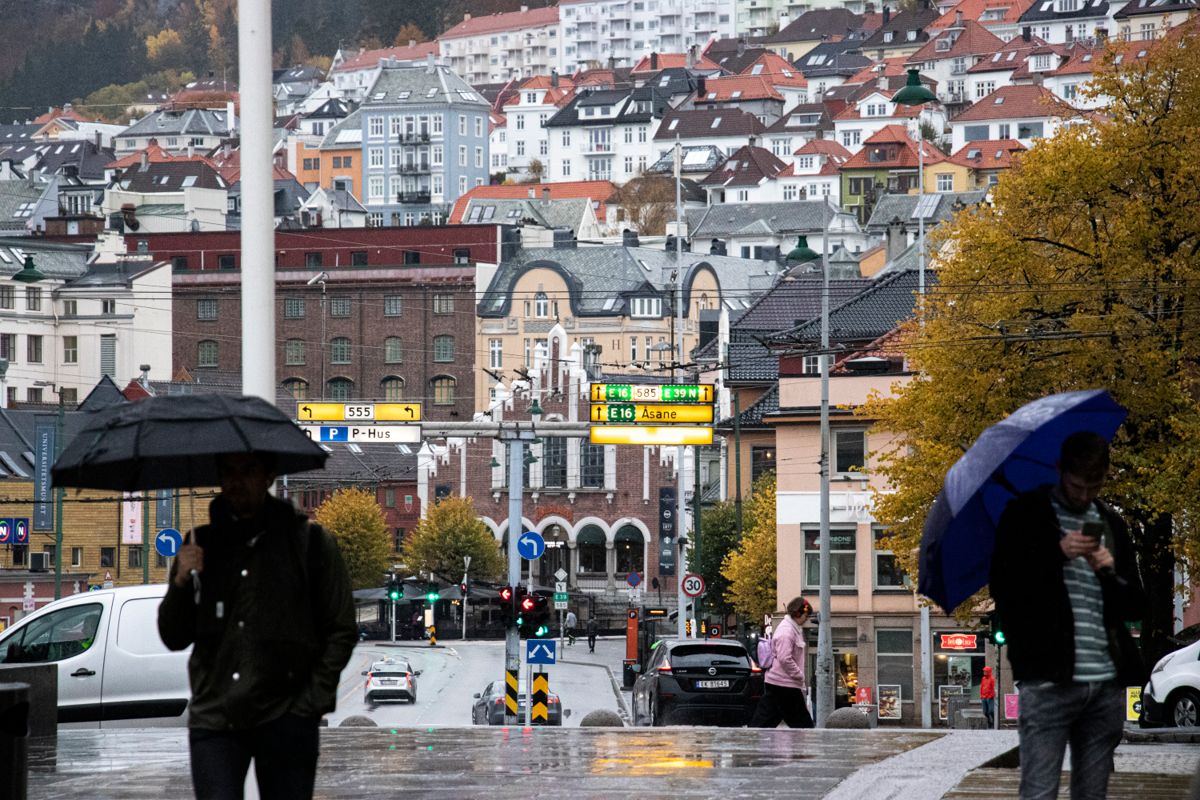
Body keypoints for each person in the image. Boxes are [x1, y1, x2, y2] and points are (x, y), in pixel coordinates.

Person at [158, 452, 356, 800]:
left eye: (247, 471)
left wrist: (310, 703)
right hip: (215, 718)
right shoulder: (198, 545)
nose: (236, 481)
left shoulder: (309, 544)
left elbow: (340, 628)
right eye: (227, 472)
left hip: (286, 716)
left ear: (268, 476)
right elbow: (173, 636)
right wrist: (181, 581)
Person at [990, 431, 1146, 800]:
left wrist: (1109, 571)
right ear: (1061, 470)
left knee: (1092, 794)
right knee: (1040, 791)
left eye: (1095, 486)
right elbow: (1005, 590)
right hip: (1048, 680)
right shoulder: (1026, 515)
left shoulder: (1111, 522)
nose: (1084, 495)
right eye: (1077, 486)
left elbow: (1136, 607)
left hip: (1105, 683)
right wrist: (1056, 552)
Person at [750, 596, 814, 729]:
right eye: (806, 616)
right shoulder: (787, 631)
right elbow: (785, 658)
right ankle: (809, 746)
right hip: (785, 684)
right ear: (798, 613)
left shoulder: (791, 629)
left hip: (778, 682)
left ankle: (753, 739)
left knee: (765, 719)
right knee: (803, 724)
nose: (806, 619)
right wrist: (799, 675)